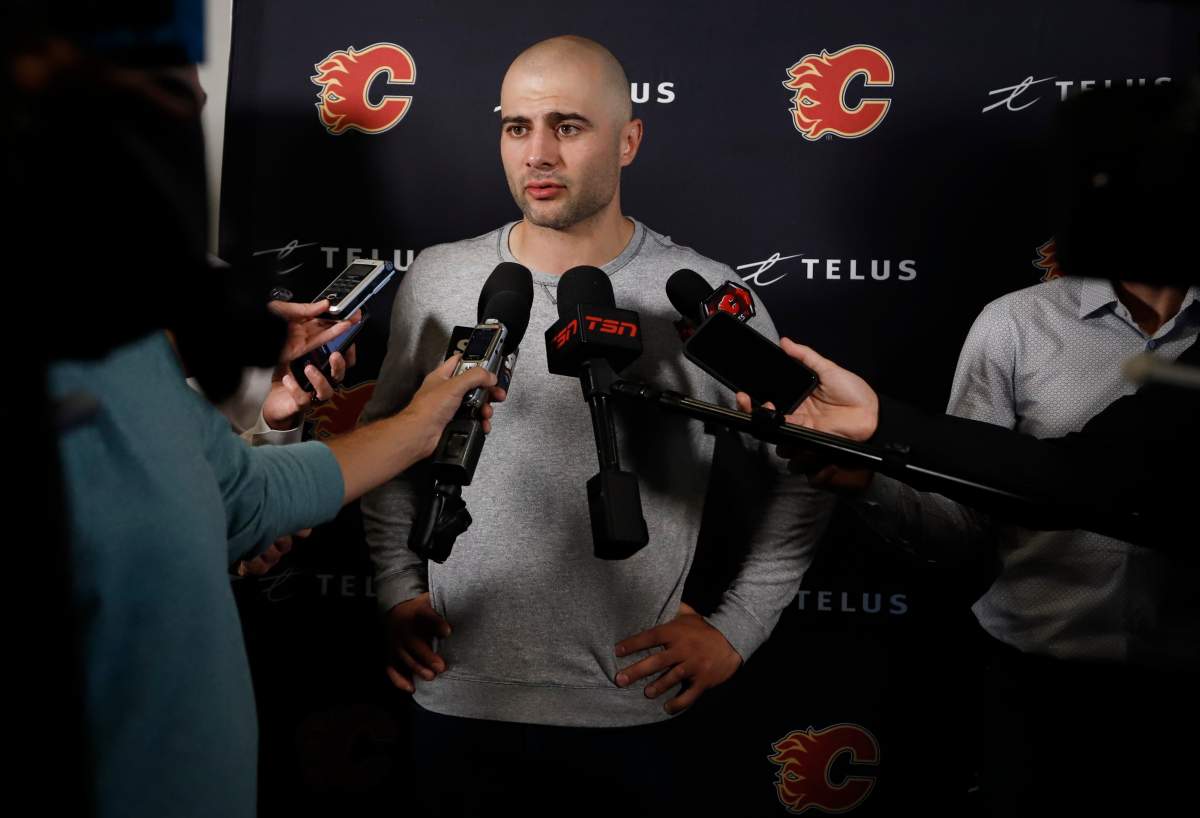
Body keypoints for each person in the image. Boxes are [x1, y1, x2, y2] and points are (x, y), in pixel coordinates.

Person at [359, 35, 831, 814]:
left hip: (634, 713)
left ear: (629, 138)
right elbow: (386, 448)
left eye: (568, 126)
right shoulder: (440, 278)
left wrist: (738, 628)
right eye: (517, 127)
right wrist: (393, 590)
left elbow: (809, 468)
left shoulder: (705, 295)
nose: (537, 154)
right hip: (456, 700)